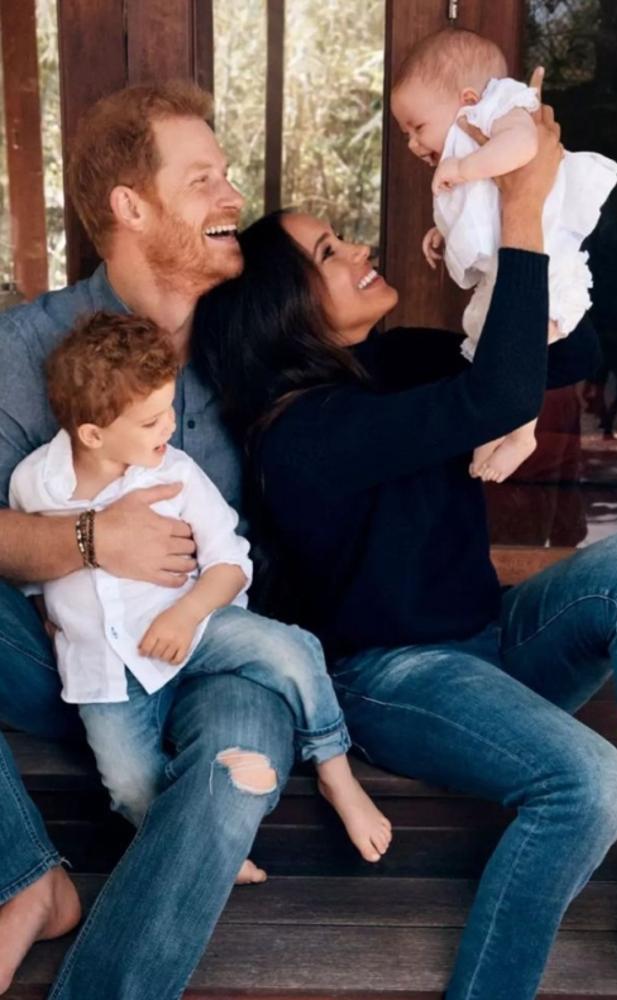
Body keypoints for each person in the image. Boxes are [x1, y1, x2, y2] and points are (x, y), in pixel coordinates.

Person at [193, 93, 617, 1000]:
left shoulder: (392, 361)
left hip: (491, 643)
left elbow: (569, 353)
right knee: (590, 786)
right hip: (397, 680)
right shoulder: (302, 434)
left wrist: (500, 260)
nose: (360, 248)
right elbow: (491, 403)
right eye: (330, 251)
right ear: (286, 309)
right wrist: (516, 205)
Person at [0, 80, 327, 1000]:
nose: (233, 199)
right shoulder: (25, 350)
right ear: (130, 206)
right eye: (203, 181)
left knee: (233, 773)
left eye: (227, 176)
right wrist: (94, 539)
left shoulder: (251, 338)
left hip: (222, 653)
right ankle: (27, 878)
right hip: (75, 663)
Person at [9, 310, 391, 855]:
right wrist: (48, 613)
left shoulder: (176, 473)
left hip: (198, 623)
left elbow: (231, 563)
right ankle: (196, 848)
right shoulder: (34, 484)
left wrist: (185, 616)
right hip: (106, 670)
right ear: (92, 433)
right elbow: (33, 567)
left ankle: (334, 770)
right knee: (129, 784)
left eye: (169, 409)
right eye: (150, 421)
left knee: (293, 651)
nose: (169, 427)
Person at [391, 28, 617, 483]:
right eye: (405, 135)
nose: (414, 145)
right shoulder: (470, 145)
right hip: (511, 265)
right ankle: (499, 425)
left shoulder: (503, 109)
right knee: (490, 342)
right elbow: (484, 209)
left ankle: (521, 432)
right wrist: (443, 231)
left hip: (546, 261)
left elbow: (524, 148)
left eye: (418, 128)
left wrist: (463, 167)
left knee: (520, 344)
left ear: (469, 98)